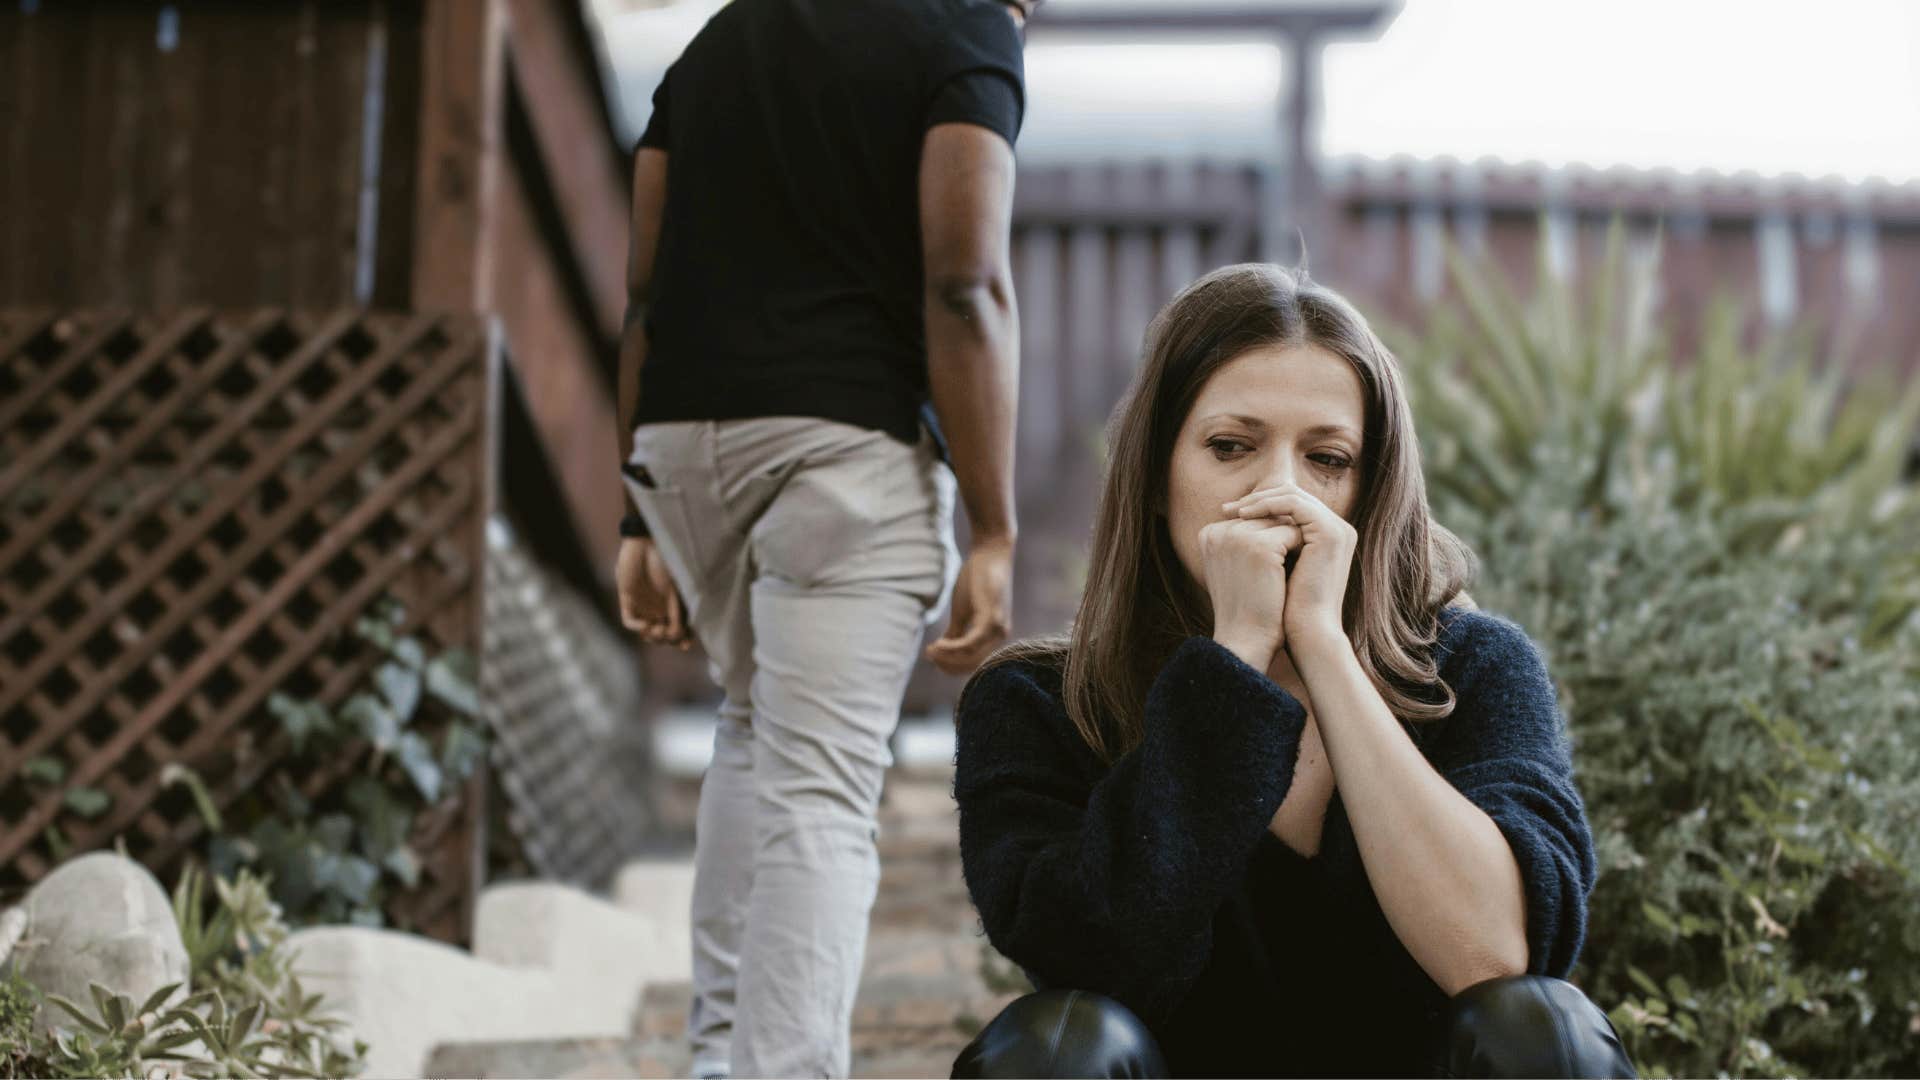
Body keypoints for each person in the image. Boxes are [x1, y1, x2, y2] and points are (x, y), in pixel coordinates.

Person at [948, 264, 1637, 1078]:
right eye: (1231, 447)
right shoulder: (1037, 704)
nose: (1280, 490)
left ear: (1369, 493)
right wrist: (1233, 659)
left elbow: (1493, 956)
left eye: (1328, 459)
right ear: (1159, 479)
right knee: (1053, 1045)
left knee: (1542, 1027)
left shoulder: (1479, 669)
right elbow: (1097, 966)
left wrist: (1322, 642)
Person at [610, 1, 1039, 1076]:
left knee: (753, 738)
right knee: (824, 794)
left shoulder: (716, 42)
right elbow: (965, 281)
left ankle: (721, 1061)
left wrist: (636, 511)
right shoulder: (966, 31)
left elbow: (644, 294)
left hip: (687, 445)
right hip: (846, 453)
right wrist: (994, 525)